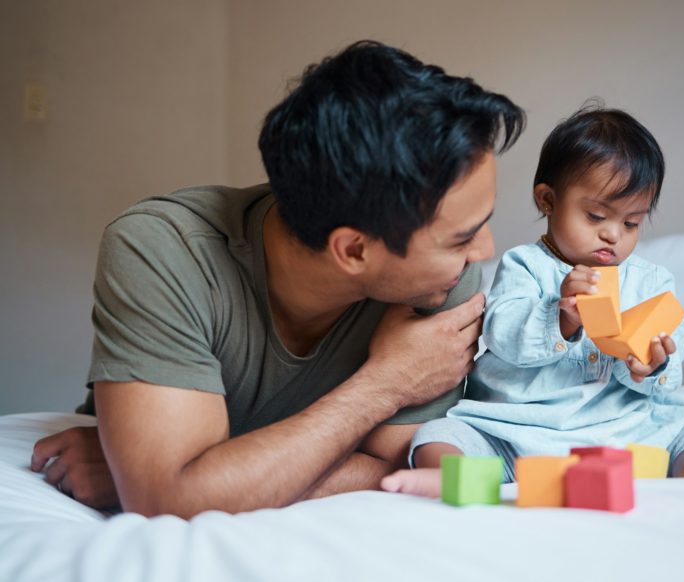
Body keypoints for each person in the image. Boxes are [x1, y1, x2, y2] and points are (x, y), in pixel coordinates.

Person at [28, 40, 526, 517]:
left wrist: (208, 476)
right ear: (353, 249)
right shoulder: (163, 251)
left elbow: (402, 467)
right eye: (462, 238)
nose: (484, 251)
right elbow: (169, 500)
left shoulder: (436, 284)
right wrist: (385, 385)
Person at [382, 106, 684, 497]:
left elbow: (670, 366)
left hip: (622, 435)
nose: (613, 235)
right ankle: (457, 477)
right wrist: (559, 319)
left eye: (631, 223)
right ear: (548, 200)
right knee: (440, 434)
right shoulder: (525, 266)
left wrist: (651, 364)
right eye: (596, 216)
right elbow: (501, 333)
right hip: (517, 435)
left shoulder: (652, 282)